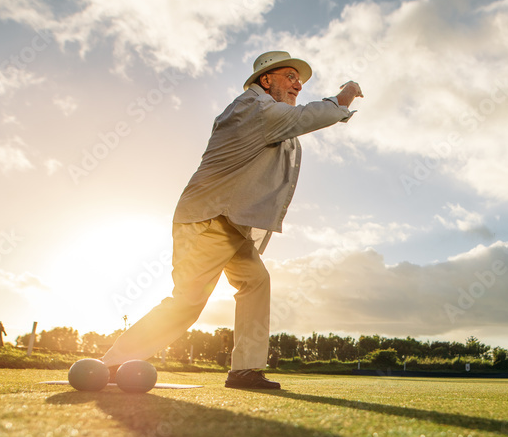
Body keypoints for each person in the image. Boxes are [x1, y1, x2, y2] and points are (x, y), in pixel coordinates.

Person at [101, 51, 363, 389]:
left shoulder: (268, 112)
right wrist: (344, 97)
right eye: (290, 77)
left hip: (230, 223)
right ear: (266, 80)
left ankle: (245, 370)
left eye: (300, 80)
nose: (298, 85)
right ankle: (113, 363)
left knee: (256, 281)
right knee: (189, 301)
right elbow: (308, 116)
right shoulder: (253, 107)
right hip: (209, 219)